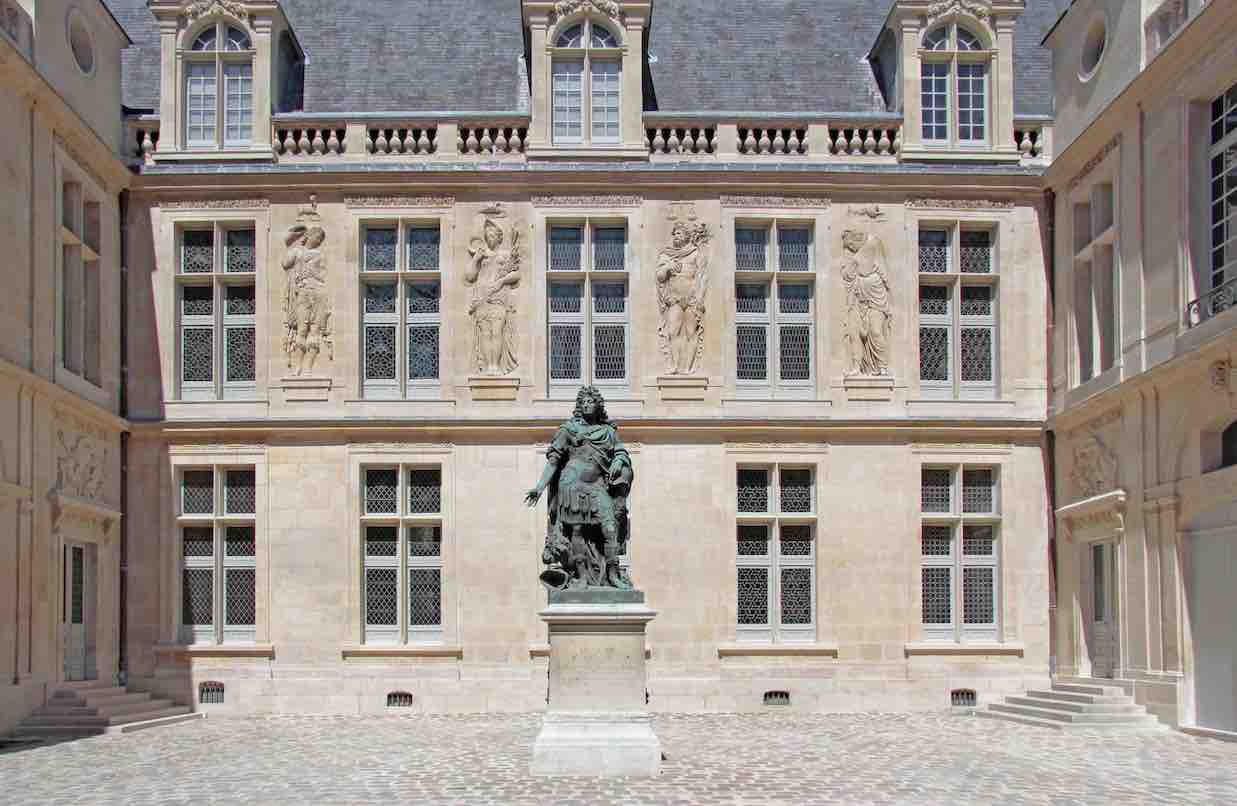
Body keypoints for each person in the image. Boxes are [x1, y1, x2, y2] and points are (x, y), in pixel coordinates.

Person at [525, 386, 634, 590]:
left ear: (598, 405)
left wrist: (619, 461)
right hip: (571, 484)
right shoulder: (568, 430)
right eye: (583, 401)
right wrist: (539, 487)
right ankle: (582, 576)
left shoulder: (608, 432)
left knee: (610, 528)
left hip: (597, 485)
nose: (586, 404)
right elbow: (554, 460)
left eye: (590, 401)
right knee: (577, 530)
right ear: (578, 406)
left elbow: (621, 453)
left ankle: (613, 574)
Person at [465, 218, 522, 375]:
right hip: (481, 299)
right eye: (486, 234)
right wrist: (476, 259)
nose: (489, 236)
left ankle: (495, 366)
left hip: (498, 298)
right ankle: (486, 366)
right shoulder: (481, 255)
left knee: (497, 331)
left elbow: (516, 274)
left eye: (492, 234)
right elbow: (469, 277)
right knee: (484, 332)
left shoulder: (505, 255)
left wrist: (501, 282)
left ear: (499, 237)